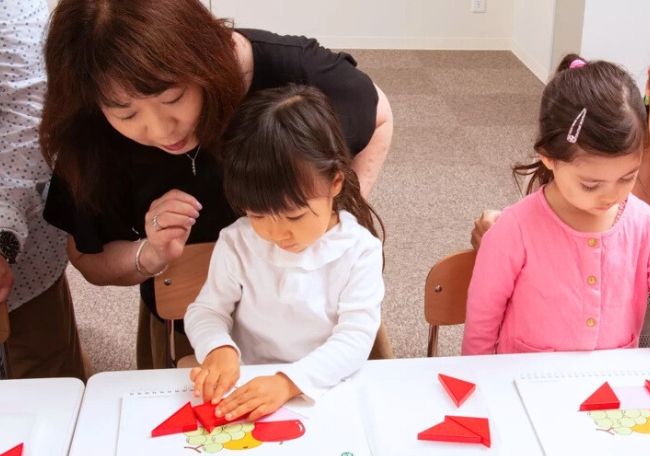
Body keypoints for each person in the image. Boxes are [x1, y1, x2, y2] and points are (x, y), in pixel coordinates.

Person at [39, 0, 392, 369]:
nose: (162, 131)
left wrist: (329, 212)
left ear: (203, 61)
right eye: (126, 114)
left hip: (326, 327)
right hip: (200, 324)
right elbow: (90, 256)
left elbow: (379, 115)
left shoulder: (289, 71)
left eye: (173, 98)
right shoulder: (86, 133)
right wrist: (154, 253)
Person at [461, 55, 650, 392]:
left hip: (614, 382)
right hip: (527, 381)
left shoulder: (645, 225)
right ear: (548, 156)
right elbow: (482, 316)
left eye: (627, 178)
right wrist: (476, 381)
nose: (610, 196)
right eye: (591, 185)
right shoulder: (515, 229)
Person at [185, 85, 384, 420]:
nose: (275, 233)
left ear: (335, 182)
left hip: (322, 387)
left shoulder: (359, 250)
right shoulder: (237, 242)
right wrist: (219, 348)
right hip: (247, 386)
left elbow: (355, 337)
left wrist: (289, 382)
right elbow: (206, 311)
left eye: (294, 216)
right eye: (258, 214)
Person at [0, 0, 85, 379]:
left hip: (15, 240)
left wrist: (2, 239)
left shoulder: (15, 16)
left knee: (42, 381)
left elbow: (31, 123)